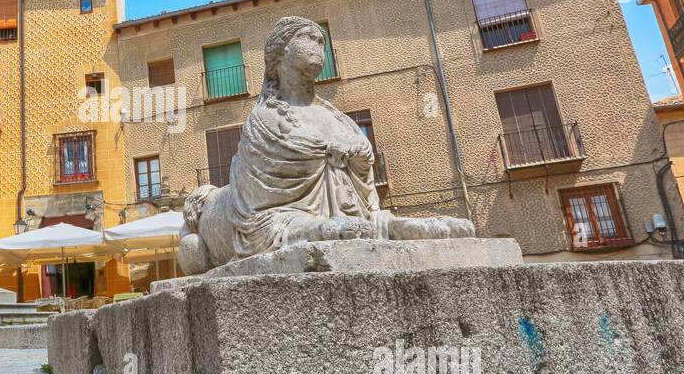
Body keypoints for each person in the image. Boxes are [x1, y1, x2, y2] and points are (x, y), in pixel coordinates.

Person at [178, 15, 474, 275]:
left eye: (321, 39)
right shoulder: (264, 122)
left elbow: (367, 207)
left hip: (348, 217)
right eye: (307, 37)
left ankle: (406, 228)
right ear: (280, 51)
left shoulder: (338, 119)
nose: (319, 42)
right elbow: (260, 223)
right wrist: (320, 227)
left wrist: (392, 223)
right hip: (276, 223)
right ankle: (322, 229)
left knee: (374, 224)